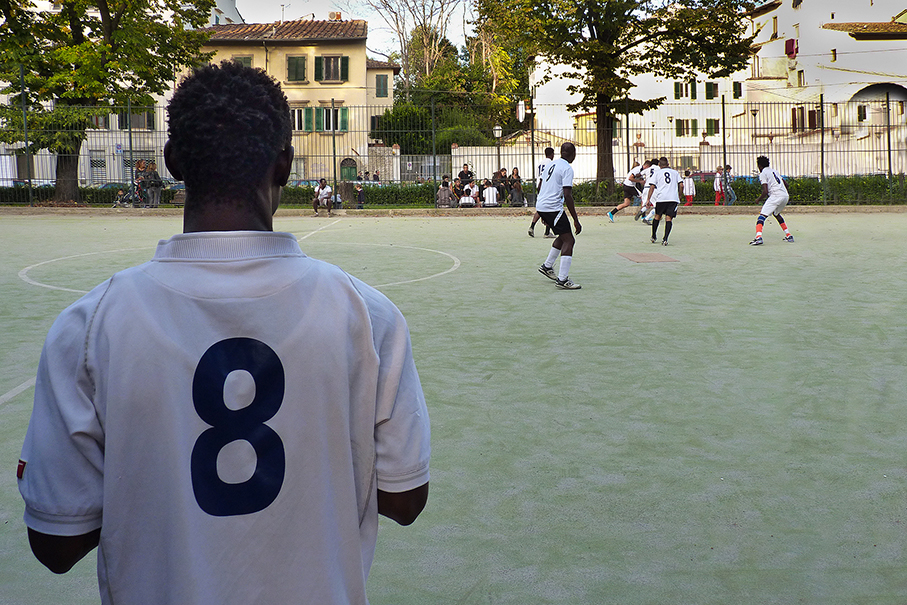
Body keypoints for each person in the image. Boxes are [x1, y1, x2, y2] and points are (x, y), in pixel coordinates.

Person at [17, 61, 430, 605]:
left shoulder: (91, 326)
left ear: (170, 162)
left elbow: (55, 543)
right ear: (283, 166)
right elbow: (405, 500)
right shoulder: (367, 316)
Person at [536, 142, 582, 290]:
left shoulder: (551, 164)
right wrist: (576, 220)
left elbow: (540, 186)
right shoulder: (567, 168)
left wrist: (542, 211)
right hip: (552, 207)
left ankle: (547, 266)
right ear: (572, 154)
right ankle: (562, 279)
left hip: (542, 205)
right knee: (569, 240)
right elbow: (568, 195)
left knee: (562, 236)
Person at [751, 155, 794, 245]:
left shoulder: (763, 173)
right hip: (785, 196)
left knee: (762, 216)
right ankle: (789, 235)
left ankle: (758, 237)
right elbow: (786, 184)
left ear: (759, 166)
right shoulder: (775, 171)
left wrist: (758, 199)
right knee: (776, 214)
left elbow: (765, 191)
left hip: (776, 196)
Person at [645, 156, 683, 246]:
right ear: (668, 164)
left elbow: (652, 186)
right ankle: (665, 239)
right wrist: (679, 195)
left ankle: (653, 236)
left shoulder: (657, 173)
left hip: (661, 198)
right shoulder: (675, 172)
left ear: (659, 165)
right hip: (673, 198)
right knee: (668, 218)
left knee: (657, 216)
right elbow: (681, 185)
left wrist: (648, 199)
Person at [528, 147, 555, 238]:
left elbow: (538, 176)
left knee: (541, 209)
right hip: (547, 188)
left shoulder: (540, 164)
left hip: (539, 188)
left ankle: (532, 227)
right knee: (550, 209)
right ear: (552, 154)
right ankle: (547, 232)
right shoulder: (551, 164)